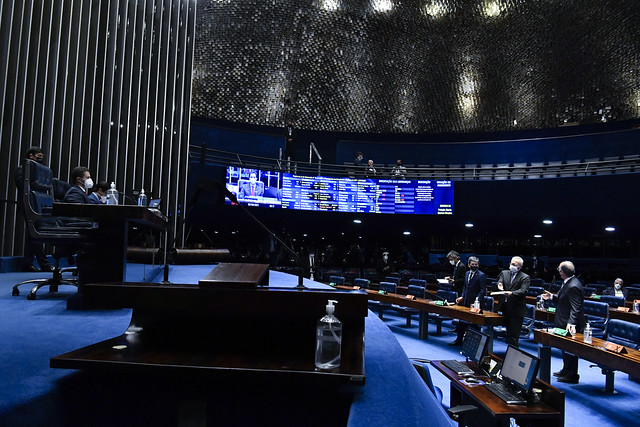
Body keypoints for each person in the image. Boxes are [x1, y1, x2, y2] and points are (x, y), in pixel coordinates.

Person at [542, 261, 585, 384]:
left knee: (571, 349)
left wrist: (571, 323)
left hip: (569, 323)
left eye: (559, 269)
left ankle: (572, 375)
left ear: (562, 272)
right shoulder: (568, 282)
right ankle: (566, 370)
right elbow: (563, 300)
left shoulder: (574, 286)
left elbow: (576, 307)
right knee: (565, 348)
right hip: (563, 320)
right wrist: (552, 297)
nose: (558, 271)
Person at [13, 146, 54, 272]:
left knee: (34, 235)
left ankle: (28, 263)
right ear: (31, 155)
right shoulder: (22, 169)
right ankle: (43, 264)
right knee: (35, 234)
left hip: (38, 204)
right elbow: (23, 187)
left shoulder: (38, 171)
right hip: (28, 205)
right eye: (38, 156)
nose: (41, 158)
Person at [450, 256, 487, 346]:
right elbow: (465, 287)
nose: (474, 266)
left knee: (474, 324)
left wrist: (477, 300)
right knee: (462, 322)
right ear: (469, 265)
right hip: (466, 301)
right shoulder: (467, 273)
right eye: (473, 264)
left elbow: (483, 290)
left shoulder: (481, 275)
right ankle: (459, 340)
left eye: (476, 264)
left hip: (476, 303)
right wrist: (462, 296)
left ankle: (474, 344)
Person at [496, 256, 530, 348]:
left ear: (520, 267)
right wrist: (499, 284)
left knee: (513, 337)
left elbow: (523, 291)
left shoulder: (525, 277)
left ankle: (513, 357)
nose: (512, 266)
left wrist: (512, 293)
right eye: (511, 264)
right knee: (508, 335)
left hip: (516, 310)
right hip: (504, 307)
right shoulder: (504, 273)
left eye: (515, 265)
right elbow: (500, 281)